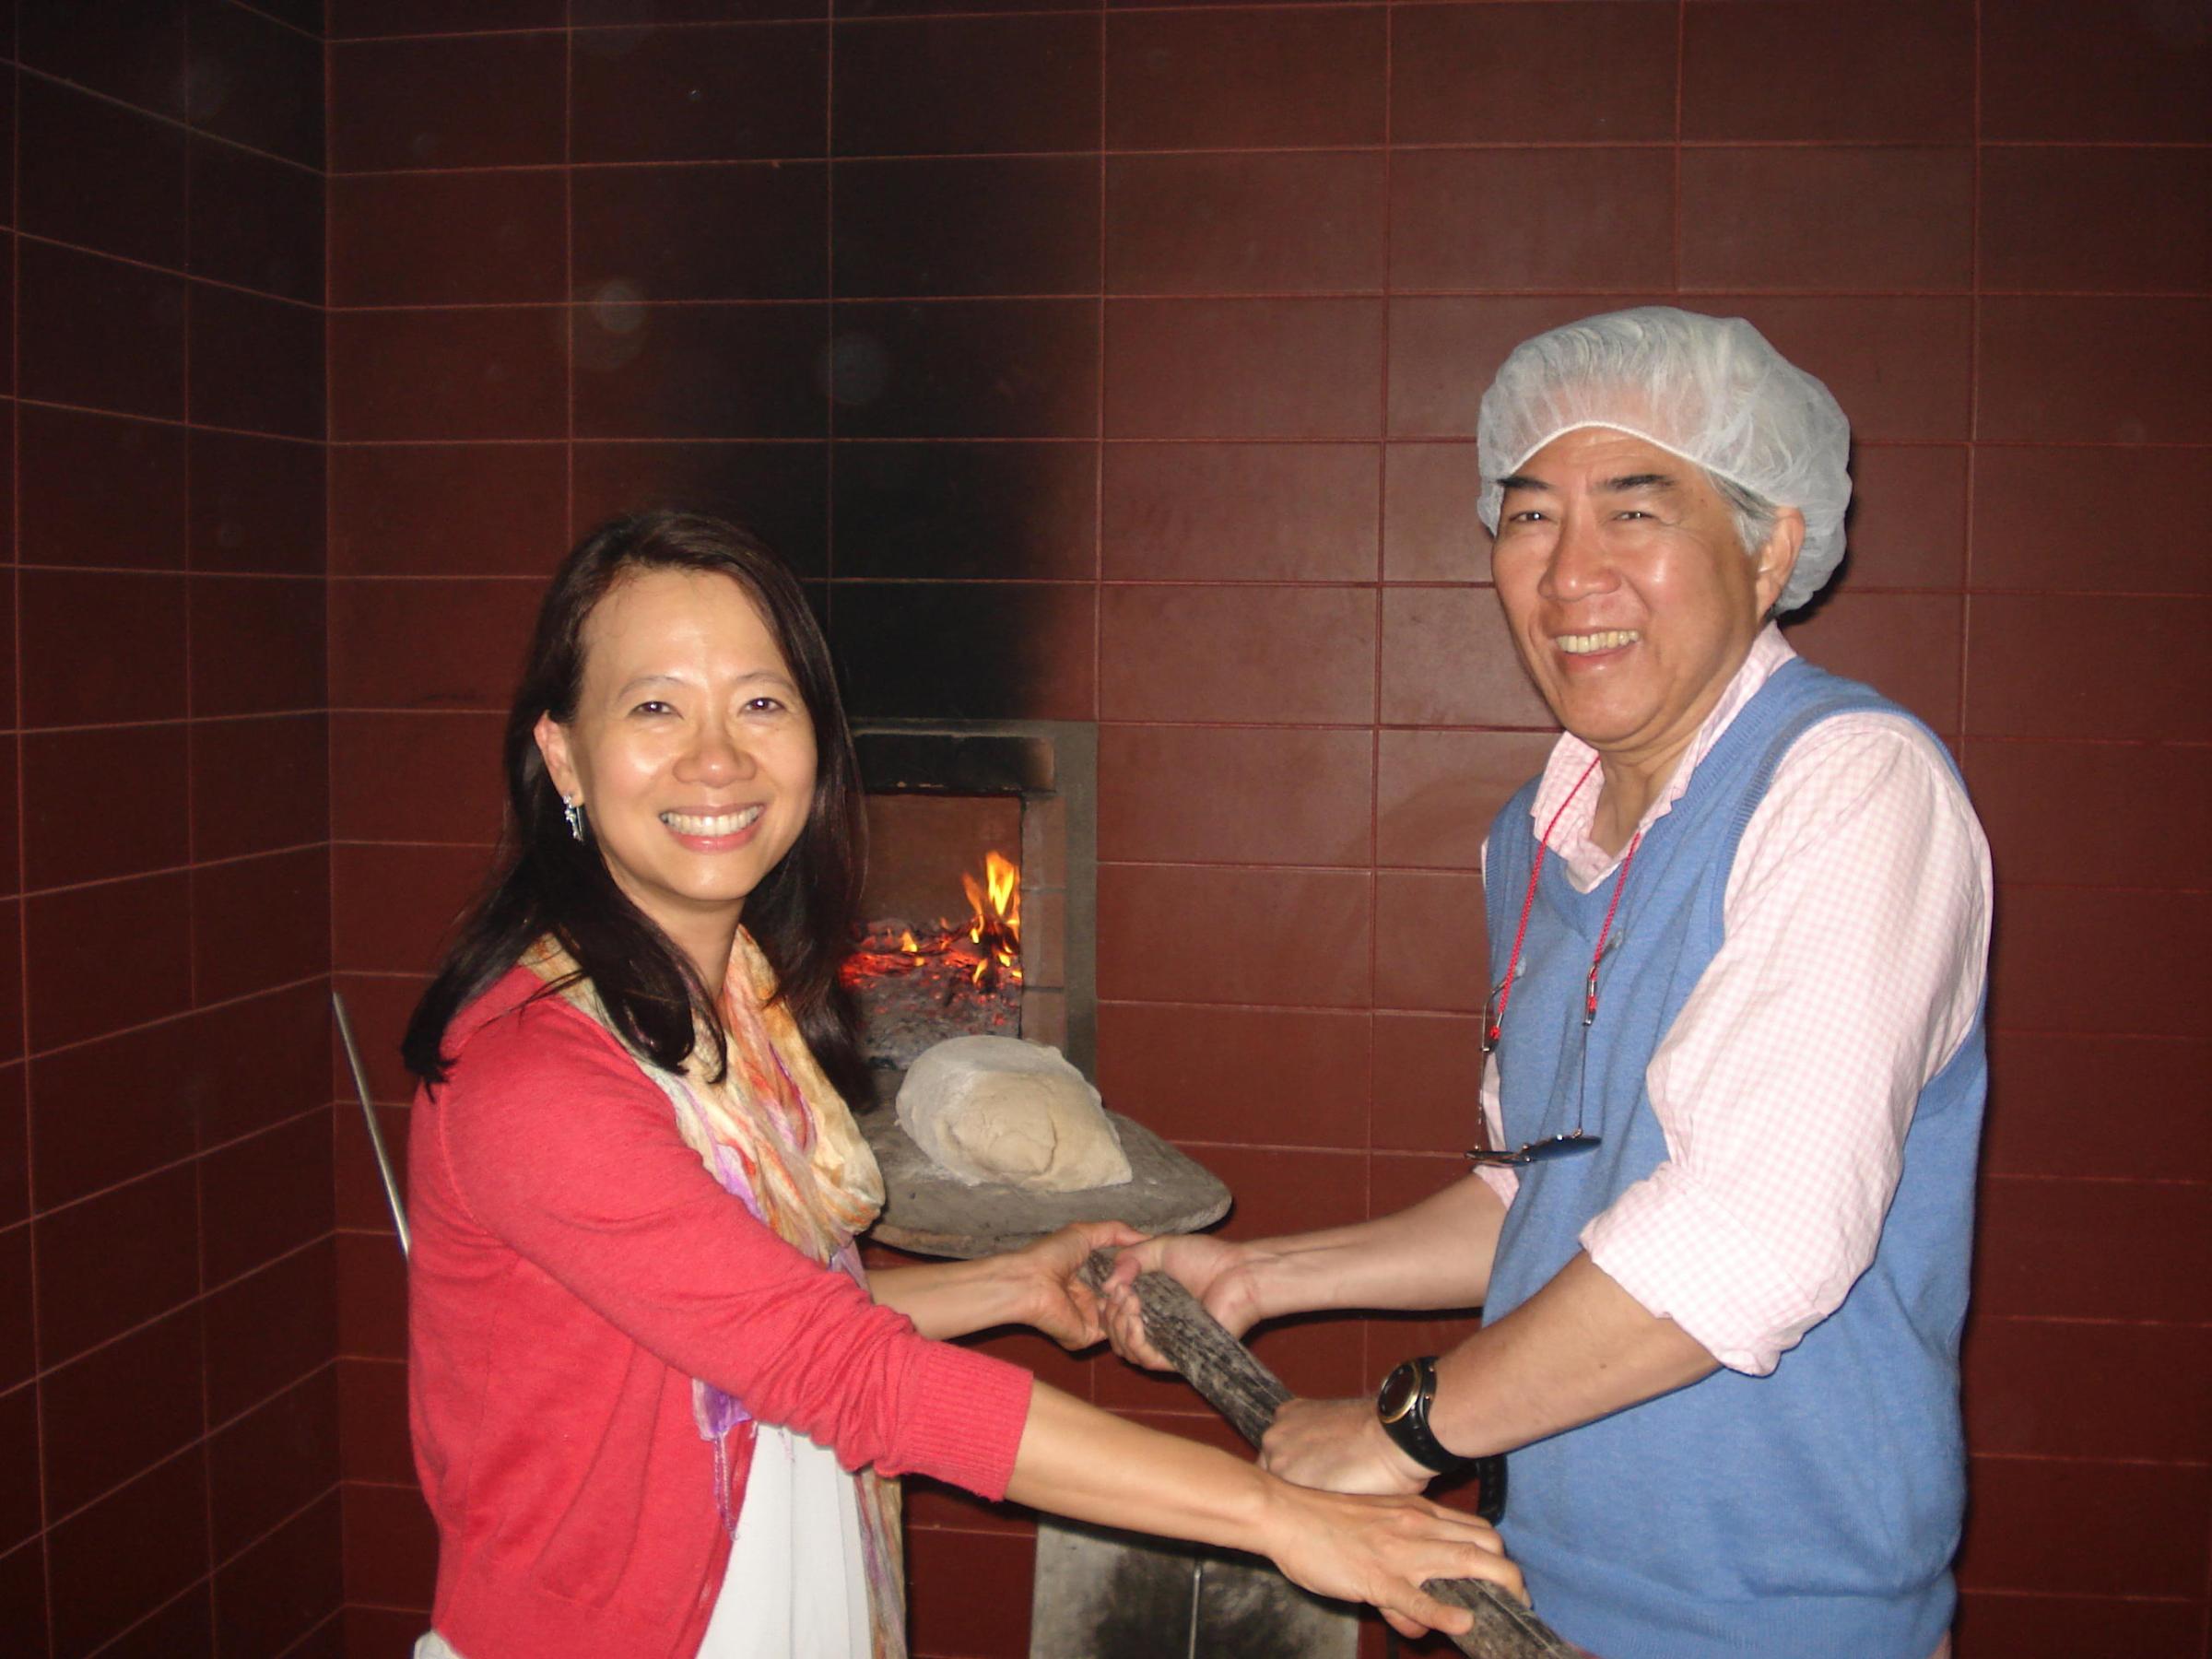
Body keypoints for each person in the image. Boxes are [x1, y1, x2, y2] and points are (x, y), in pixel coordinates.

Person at [399, 510, 1523, 1659]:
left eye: (760, 701)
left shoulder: (734, 1008)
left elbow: (754, 1320)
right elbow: (830, 1368)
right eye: (654, 706)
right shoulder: (533, 1073)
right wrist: (1288, 1520)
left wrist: (1014, 1284)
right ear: (563, 754)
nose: (718, 756)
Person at [1107, 307, 1991, 1659]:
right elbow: (1546, 1189)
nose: (1573, 573)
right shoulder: (1537, 831)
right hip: (1542, 1589)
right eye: (1530, 519)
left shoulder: (1853, 790)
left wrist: (1409, 1428)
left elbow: (1751, 1233)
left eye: (1637, 512)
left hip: (1781, 1621)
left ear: (1772, 547)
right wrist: (1262, 1275)